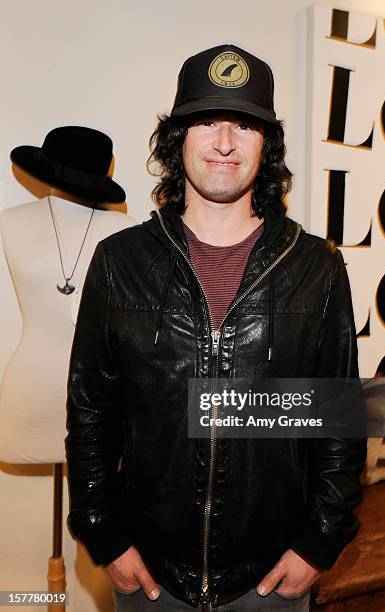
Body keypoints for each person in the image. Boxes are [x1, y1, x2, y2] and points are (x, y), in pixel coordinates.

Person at [65, 44, 366, 611]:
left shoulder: (316, 266)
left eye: (244, 125)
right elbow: (91, 413)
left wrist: (320, 542)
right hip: (151, 575)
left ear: (266, 145)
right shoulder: (119, 262)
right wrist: (103, 532)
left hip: (271, 579)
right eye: (206, 121)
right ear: (177, 139)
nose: (224, 143)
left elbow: (340, 418)